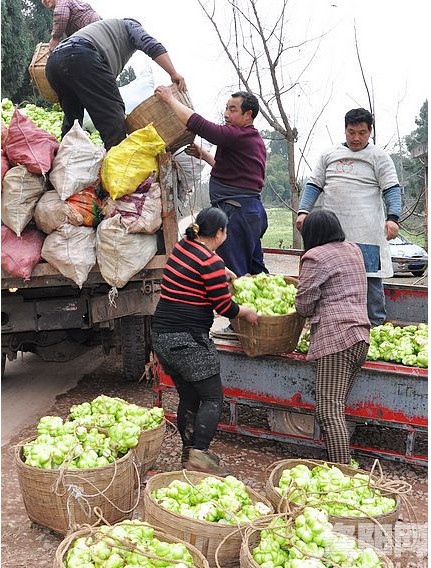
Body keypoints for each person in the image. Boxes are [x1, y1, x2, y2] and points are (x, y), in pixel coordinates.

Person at [151, 207, 259, 475]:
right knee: (212, 398)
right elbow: (224, 306)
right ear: (220, 233)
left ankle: (189, 454)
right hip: (188, 341)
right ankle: (199, 454)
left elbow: (197, 267)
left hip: (162, 337)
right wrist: (246, 312)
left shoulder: (183, 246)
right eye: (226, 232)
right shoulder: (209, 262)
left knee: (189, 396)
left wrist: (222, 271)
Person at [296, 108, 402, 327]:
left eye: (362, 133)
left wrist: (393, 218)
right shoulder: (329, 155)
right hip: (331, 234)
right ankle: (327, 323)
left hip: (367, 231)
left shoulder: (379, 157)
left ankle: (375, 325)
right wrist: (303, 211)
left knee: (370, 278)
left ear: (370, 131)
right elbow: (313, 185)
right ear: (344, 130)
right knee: (327, 277)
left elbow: (391, 189)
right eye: (351, 132)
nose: (356, 138)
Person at [155, 85, 268, 277]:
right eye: (226, 108)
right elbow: (232, 173)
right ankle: (264, 305)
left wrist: (170, 100)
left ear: (248, 115)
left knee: (234, 272)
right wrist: (205, 155)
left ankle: (237, 306)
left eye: (232, 109)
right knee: (257, 271)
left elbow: (201, 126)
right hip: (249, 211)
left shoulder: (239, 135)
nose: (226, 114)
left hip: (237, 212)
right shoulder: (251, 139)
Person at [295, 210, 370, 464]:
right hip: (360, 336)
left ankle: (342, 470)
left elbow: (303, 305)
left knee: (328, 411)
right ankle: (342, 463)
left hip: (336, 340)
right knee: (337, 407)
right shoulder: (353, 250)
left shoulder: (315, 256)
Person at [45, 18, 186, 150]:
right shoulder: (130, 25)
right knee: (113, 117)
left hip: (53, 63)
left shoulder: (107, 35)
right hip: (80, 55)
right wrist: (173, 73)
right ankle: (117, 170)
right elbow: (151, 44)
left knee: (73, 120)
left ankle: (64, 163)